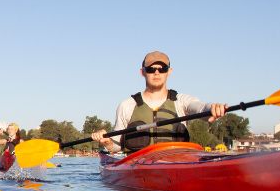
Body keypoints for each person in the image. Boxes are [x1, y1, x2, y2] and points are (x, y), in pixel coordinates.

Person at [91, 50, 227, 153]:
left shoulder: (181, 101)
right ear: (142, 72)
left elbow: (201, 108)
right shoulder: (127, 105)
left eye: (162, 69)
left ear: (169, 72)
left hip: (176, 163)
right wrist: (107, 141)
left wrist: (213, 107)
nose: (157, 73)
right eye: (151, 69)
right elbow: (116, 146)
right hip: (138, 168)